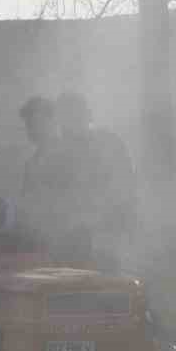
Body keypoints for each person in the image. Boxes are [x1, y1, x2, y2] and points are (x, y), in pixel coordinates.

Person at [54, 90, 137, 268]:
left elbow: (125, 189)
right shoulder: (60, 151)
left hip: (108, 238)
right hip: (72, 241)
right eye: (63, 119)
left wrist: (99, 222)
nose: (66, 126)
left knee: (107, 284)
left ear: (86, 115)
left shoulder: (109, 143)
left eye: (73, 115)